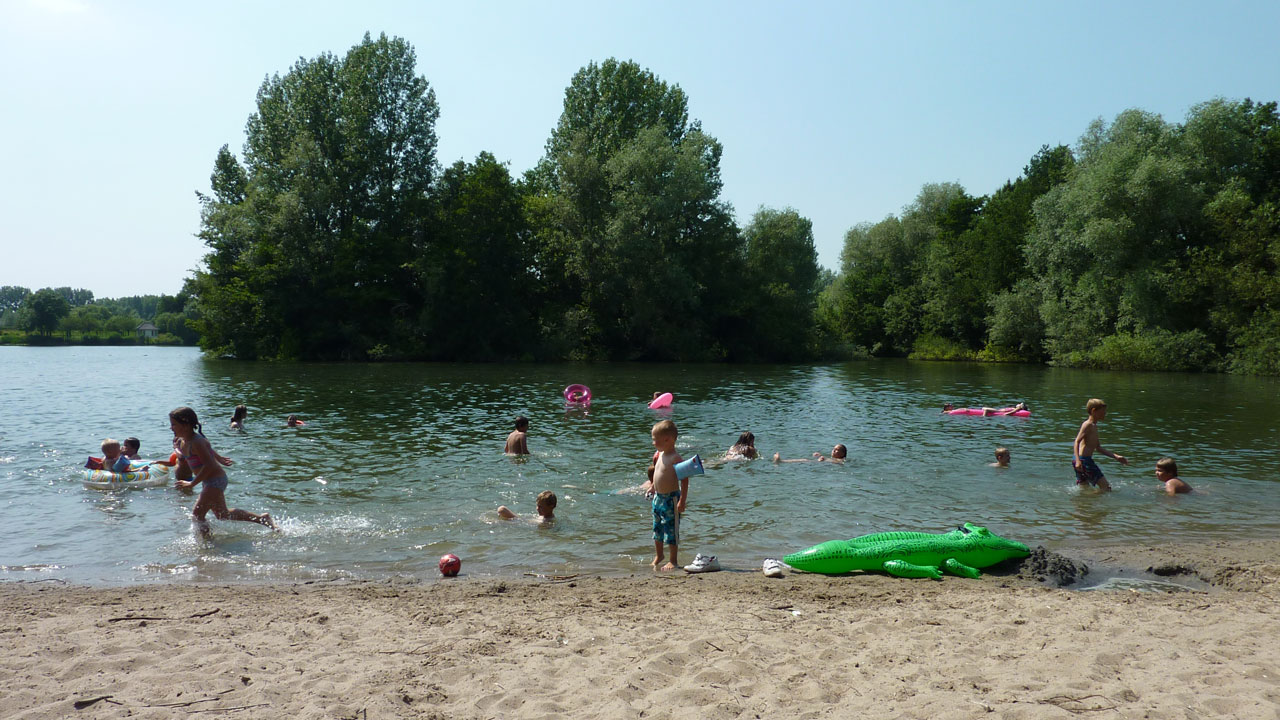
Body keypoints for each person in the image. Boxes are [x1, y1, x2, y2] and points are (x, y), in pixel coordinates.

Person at [170, 406, 275, 535]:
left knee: (197, 515)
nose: (171, 428)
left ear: (185, 425)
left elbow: (209, 465)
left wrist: (192, 484)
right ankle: (262, 519)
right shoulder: (183, 441)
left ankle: (207, 546)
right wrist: (219, 457)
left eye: (174, 425)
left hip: (215, 480)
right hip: (208, 480)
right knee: (223, 515)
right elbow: (208, 449)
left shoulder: (196, 441)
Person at [640, 420, 687, 571]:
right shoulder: (659, 454)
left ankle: (673, 560)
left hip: (671, 499)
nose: (653, 443)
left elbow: (685, 480)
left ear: (668, 440)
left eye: (655, 440)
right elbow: (656, 473)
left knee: (671, 530)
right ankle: (659, 555)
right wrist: (653, 487)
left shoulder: (675, 458)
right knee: (657, 528)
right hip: (658, 498)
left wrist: (682, 501)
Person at [1072, 398, 1127, 491]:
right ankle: (1091, 499)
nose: (1105, 414)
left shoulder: (1094, 426)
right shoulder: (1088, 424)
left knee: (1084, 488)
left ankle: (1083, 502)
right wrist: (1078, 461)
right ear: (1094, 411)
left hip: (1081, 461)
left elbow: (1098, 448)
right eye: (1103, 411)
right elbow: (1077, 441)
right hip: (1083, 461)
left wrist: (1116, 457)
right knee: (1106, 488)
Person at [771, 444, 846, 463]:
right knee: (804, 460)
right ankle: (781, 461)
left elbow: (837, 462)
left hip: (818, 464)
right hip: (819, 463)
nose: (833, 450)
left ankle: (781, 461)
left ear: (842, 454)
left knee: (805, 460)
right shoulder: (834, 458)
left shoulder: (841, 460)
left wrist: (824, 459)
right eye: (833, 449)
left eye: (837, 450)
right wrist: (820, 456)